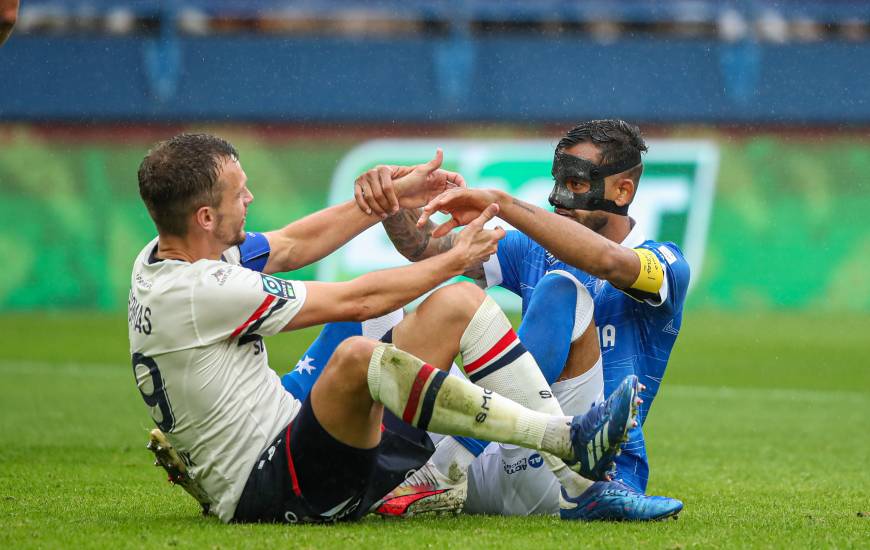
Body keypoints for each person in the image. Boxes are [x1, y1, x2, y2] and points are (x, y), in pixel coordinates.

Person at [129, 132, 644, 524]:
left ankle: (574, 483)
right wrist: (455, 256)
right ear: (203, 217)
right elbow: (360, 297)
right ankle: (561, 437)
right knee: (357, 356)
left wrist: (388, 197)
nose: (251, 200)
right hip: (271, 486)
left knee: (457, 303)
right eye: (239, 194)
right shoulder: (207, 290)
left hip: (301, 441)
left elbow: (289, 246)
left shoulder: (163, 259)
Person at [354, 119, 689, 519]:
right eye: (557, 181)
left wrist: (505, 205)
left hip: (580, 478)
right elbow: (427, 250)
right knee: (374, 311)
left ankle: (446, 465)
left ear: (622, 190)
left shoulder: (665, 264)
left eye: (577, 184)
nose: (558, 198)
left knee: (562, 289)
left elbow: (606, 260)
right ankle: (344, 464)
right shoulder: (533, 249)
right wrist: (395, 204)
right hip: (496, 461)